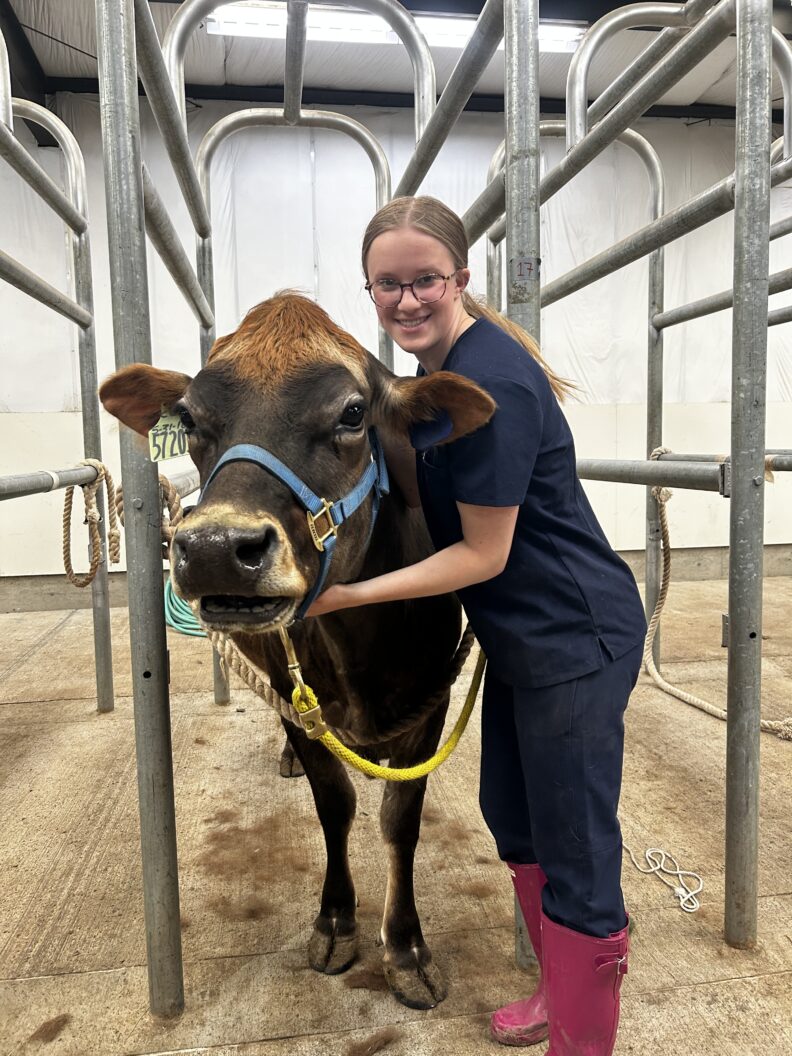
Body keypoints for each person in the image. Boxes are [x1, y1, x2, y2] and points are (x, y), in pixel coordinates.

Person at [306, 195, 647, 1055]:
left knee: (575, 849)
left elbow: (482, 555)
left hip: (572, 635)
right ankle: (555, 987)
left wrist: (343, 599)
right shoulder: (430, 378)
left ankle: (582, 1038)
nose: (407, 299)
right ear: (370, 291)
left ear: (461, 278)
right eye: (389, 285)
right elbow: (415, 495)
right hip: (520, 639)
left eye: (425, 280)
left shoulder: (489, 379)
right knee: (514, 816)